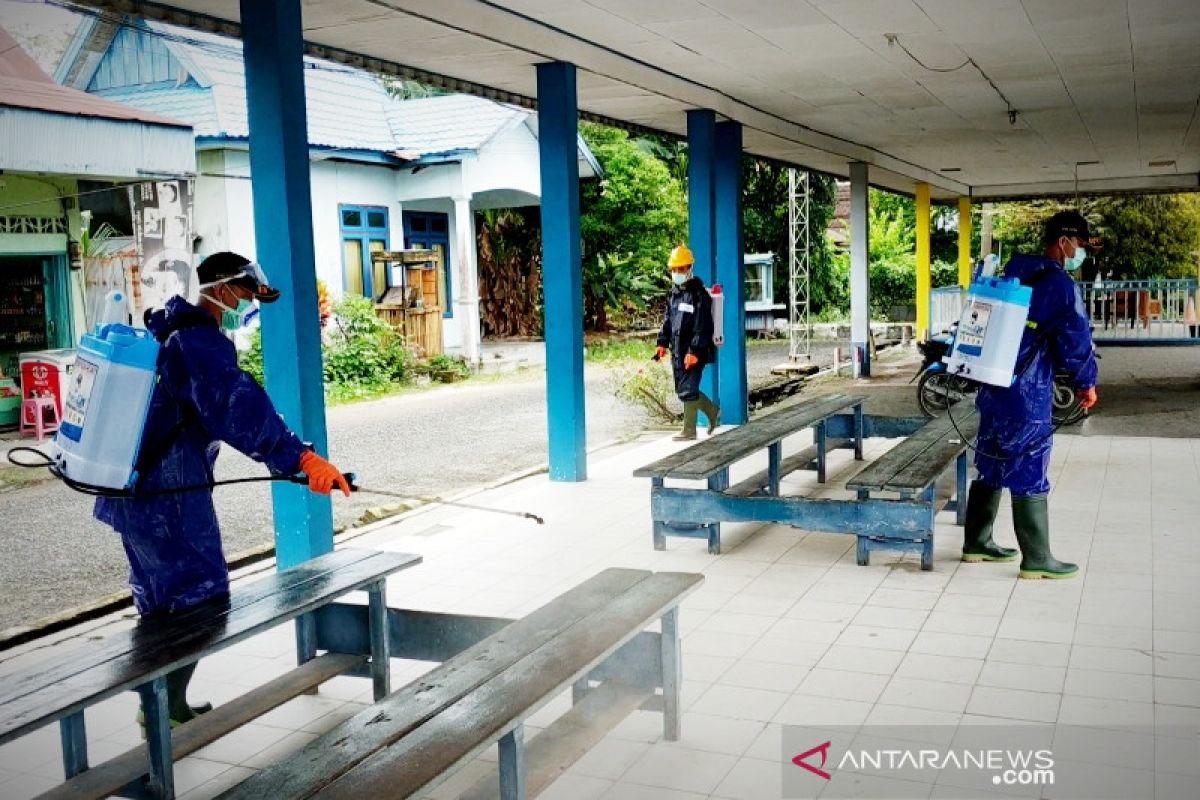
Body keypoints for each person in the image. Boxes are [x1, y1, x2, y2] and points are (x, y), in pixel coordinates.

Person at [95, 251, 350, 725]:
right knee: (201, 598)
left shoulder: (174, 332)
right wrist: (299, 457)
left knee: (163, 603)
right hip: (165, 496)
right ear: (222, 289)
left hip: (141, 492)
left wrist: (293, 460)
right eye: (246, 293)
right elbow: (237, 406)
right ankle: (159, 709)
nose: (249, 302)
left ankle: (165, 705)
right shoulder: (197, 343)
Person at [963, 211, 1099, 579]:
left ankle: (976, 542)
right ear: (1064, 242)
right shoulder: (1059, 285)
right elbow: (1075, 336)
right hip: (1027, 390)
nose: (1081, 252)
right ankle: (1037, 558)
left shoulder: (1014, 271)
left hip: (992, 385)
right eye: (1080, 245)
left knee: (990, 461)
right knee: (1029, 466)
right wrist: (1087, 382)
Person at [656, 245, 720, 441]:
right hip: (678, 350)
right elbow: (668, 320)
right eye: (674, 269)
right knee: (682, 390)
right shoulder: (674, 294)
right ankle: (709, 415)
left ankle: (693, 427)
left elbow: (703, 326)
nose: (677, 273)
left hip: (694, 350)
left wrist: (693, 350)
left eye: (681, 268)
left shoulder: (699, 294)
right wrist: (661, 343)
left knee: (688, 389)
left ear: (690, 268)